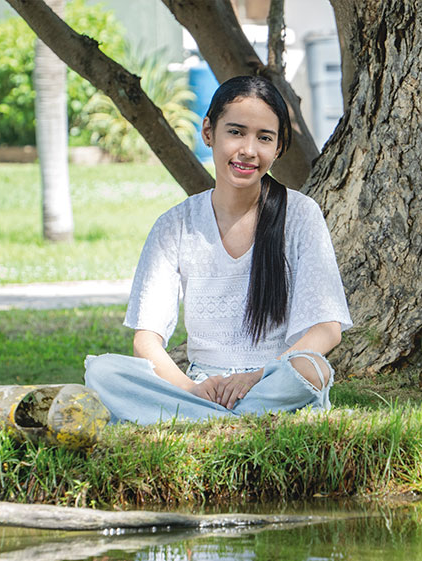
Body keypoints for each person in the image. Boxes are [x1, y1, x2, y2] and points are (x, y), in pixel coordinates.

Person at [85, 75, 352, 425]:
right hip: (199, 384)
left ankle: (193, 419)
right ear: (209, 132)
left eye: (264, 138)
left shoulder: (301, 214)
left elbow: (327, 329)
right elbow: (146, 341)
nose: (248, 150)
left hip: (271, 378)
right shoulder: (176, 224)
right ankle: (224, 416)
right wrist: (191, 388)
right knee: (103, 372)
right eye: (236, 132)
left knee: (312, 370)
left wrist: (255, 376)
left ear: (279, 147)